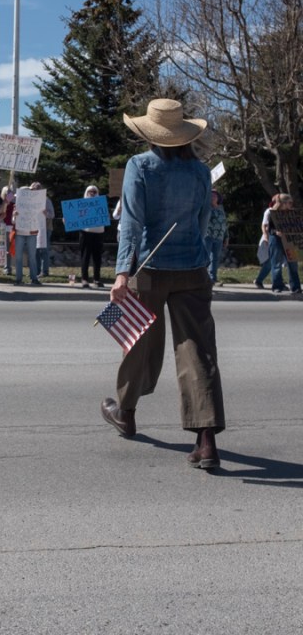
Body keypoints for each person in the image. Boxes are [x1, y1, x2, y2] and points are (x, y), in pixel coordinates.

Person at [100, 97, 225, 470]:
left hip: (149, 270)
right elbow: (203, 223)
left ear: (151, 134)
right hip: (193, 267)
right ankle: (206, 442)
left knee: (139, 342)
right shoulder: (201, 172)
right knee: (198, 352)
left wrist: (122, 272)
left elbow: (131, 224)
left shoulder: (140, 166)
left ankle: (125, 410)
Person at [268, 193, 301, 294]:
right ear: (283, 203)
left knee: (293, 264)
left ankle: (295, 287)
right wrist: (276, 232)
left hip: (290, 241)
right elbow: (270, 229)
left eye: (291, 202)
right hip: (276, 240)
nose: (291, 205)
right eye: (289, 203)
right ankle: (277, 286)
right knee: (276, 264)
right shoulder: (273, 213)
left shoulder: (293, 214)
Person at [13, 187, 41, 286]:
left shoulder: (36, 205)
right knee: (18, 257)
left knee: (32, 257)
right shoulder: (16, 206)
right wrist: (14, 215)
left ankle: (34, 278)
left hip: (31, 233)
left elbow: (40, 218)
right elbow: (12, 222)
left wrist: (43, 213)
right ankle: (18, 279)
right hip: (19, 233)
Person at [79, 185, 105, 288]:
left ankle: (97, 279)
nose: (92, 193)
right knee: (85, 257)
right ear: (87, 192)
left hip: (98, 233)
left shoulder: (101, 204)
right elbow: (74, 218)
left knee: (97, 258)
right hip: (85, 233)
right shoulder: (80, 204)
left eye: (94, 191)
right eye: (90, 191)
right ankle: (84, 279)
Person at [205, 189, 229, 286]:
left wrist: (226, 237)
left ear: (218, 198)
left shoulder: (221, 210)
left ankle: (213, 278)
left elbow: (225, 224)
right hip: (208, 236)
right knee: (205, 258)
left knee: (215, 258)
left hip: (219, 237)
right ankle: (203, 278)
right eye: (211, 195)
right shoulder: (206, 208)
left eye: (215, 196)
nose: (213, 197)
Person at [33, 182, 54, 277]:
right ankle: (37, 271)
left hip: (45, 228)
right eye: (33, 189)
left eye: (37, 188)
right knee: (36, 250)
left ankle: (44, 271)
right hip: (34, 228)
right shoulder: (30, 200)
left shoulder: (46, 200)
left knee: (43, 250)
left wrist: (46, 213)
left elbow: (52, 215)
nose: (35, 190)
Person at [254, 196, 275, 289]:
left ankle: (278, 282)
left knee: (277, 262)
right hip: (270, 238)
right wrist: (266, 237)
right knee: (270, 262)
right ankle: (259, 280)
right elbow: (264, 225)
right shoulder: (269, 211)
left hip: (282, 239)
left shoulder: (285, 212)